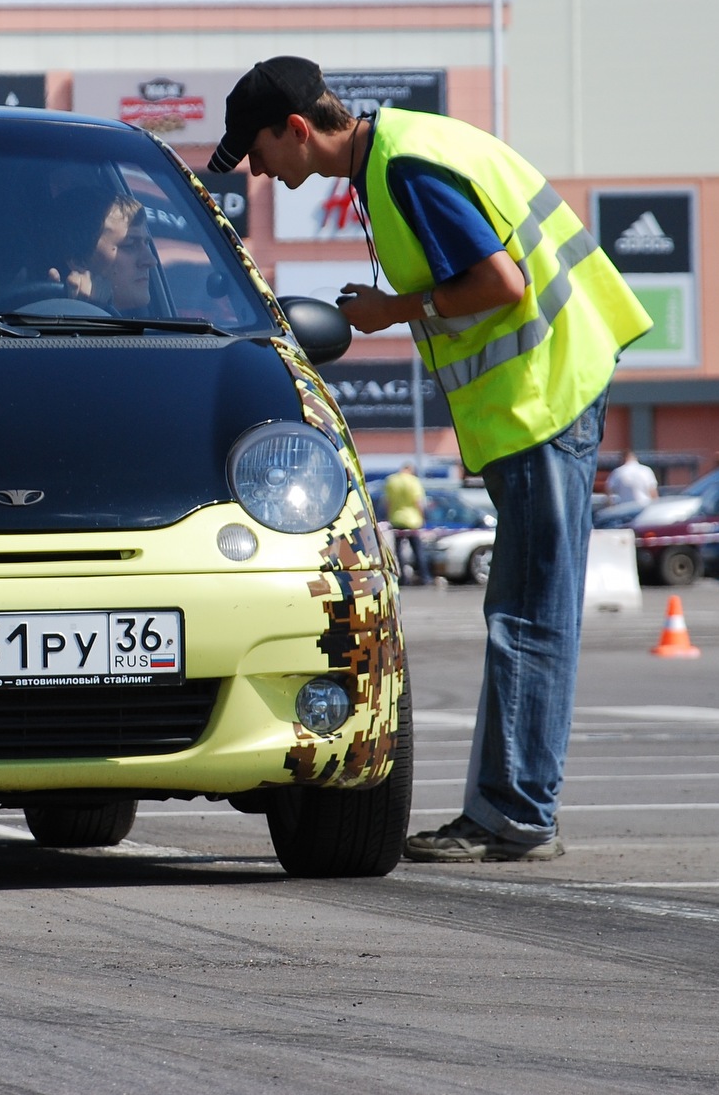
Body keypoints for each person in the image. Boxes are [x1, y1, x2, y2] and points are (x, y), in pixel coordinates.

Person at [211, 56, 650, 862]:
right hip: (543, 394)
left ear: (297, 129)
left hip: (543, 396)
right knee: (524, 611)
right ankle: (514, 806)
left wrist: (389, 311)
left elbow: (501, 283)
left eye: (261, 151)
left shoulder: (406, 165)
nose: (261, 171)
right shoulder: (400, 151)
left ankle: (513, 813)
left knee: (528, 615)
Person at [42, 187, 153, 313]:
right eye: (129, 245)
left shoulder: (148, 324)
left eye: (147, 243)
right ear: (79, 260)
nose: (151, 260)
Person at [383, 461, 433, 586]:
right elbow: (418, 502)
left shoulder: (391, 481)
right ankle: (424, 576)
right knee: (417, 550)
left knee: (399, 551)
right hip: (413, 520)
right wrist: (423, 517)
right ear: (411, 470)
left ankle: (403, 578)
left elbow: (387, 502)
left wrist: (389, 517)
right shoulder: (414, 481)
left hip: (397, 518)